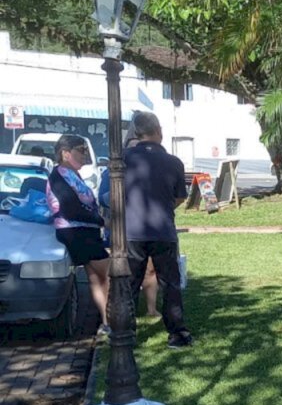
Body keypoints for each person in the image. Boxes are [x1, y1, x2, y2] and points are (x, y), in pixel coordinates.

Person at [123, 111, 192, 348]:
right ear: (159, 131)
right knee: (170, 283)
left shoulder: (122, 159)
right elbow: (180, 198)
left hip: (132, 230)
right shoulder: (173, 162)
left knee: (129, 283)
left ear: (136, 132)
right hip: (163, 229)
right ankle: (177, 333)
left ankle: (126, 333)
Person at [45, 134, 110, 335]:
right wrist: (102, 221)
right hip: (76, 232)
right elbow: (71, 208)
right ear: (65, 153)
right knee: (111, 273)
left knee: (97, 277)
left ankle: (107, 322)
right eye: (80, 151)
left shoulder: (72, 174)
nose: (84, 155)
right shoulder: (58, 176)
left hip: (85, 231)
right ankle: (114, 319)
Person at [99, 131, 159, 317]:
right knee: (122, 273)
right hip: (121, 230)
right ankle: (123, 312)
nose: (135, 150)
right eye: (131, 146)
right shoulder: (111, 171)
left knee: (149, 269)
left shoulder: (148, 169)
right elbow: (103, 198)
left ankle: (151, 309)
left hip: (145, 228)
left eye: (138, 145)